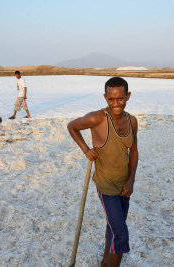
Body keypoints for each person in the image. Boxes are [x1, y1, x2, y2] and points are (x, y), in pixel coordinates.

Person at [67, 77, 138, 267]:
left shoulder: (132, 121)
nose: (116, 104)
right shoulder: (97, 118)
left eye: (120, 99)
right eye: (111, 99)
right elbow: (72, 126)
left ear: (127, 96)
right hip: (106, 186)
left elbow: (134, 151)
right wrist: (85, 149)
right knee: (121, 235)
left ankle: (105, 262)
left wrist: (131, 180)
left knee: (114, 229)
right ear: (105, 97)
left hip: (124, 186)